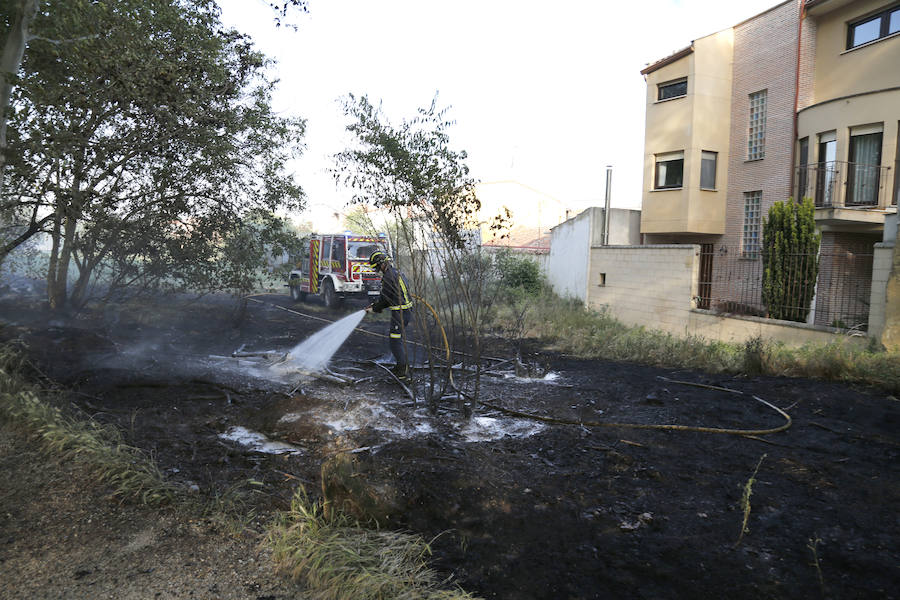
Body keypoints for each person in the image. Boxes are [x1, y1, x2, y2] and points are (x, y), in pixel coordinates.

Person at [364, 250, 413, 380]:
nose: (377, 270)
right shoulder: (397, 272)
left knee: (395, 341)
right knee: (396, 340)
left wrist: (375, 308)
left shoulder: (388, 277)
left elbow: (386, 299)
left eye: (377, 267)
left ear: (381, 264)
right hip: (404, 311)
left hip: (400, 313)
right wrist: (376, 306)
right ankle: (400, 366)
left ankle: (403, 372)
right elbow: (390, 296)